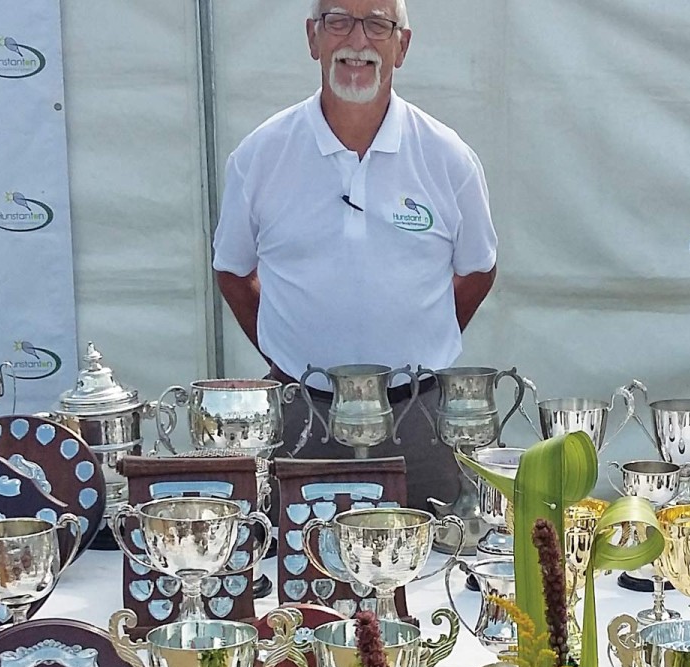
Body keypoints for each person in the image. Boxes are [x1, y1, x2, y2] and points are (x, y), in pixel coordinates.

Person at [212, 0, 498, 510]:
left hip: (420, 422)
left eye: (378, 24)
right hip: (302, 416)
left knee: (427, 571)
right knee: (299, 575)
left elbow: (478, 271)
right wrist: (286, 354)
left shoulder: (448, 157)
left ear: (402, 45)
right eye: (338, 20)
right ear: (312, 37)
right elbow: (232, 272)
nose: (357, 41)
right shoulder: (260, 156)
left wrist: (420, 351)